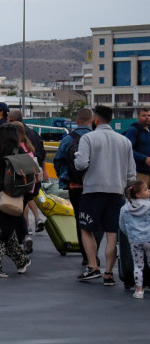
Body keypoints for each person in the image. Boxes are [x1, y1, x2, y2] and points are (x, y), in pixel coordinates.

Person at [74, 105, 138, 285]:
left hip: (93, 190)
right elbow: (131, 173)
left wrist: (78, 157)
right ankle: (109, 273)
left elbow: (80, 164)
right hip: (116, 191)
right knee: (112, 232)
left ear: (96, 119)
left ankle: (93, 266)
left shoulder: (88, 138)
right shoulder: (124, 141)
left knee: (86, 228)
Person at [0, 125, 35, 278]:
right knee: (4, 230)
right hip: (11, 195)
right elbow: (30, 174)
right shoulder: (19, 152)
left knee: (4, 229)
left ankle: (21, 260)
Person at [55, 108, 94, 268]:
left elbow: (58, 161)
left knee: (80, 219)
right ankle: (95, 253)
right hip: (95, 186)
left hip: (75, 186)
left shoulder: (67, 139)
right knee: (96, 220)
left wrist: (65, 178)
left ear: (76, 120)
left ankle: (86, 256)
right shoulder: (95, 138)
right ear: (92, 121)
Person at [120, 180, 150, 299]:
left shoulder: (125, 208)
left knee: (138, 265)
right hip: (149, 238)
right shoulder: (148, 206)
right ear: (138, 194)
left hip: (135, 241)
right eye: (146, 189)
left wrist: (130, 235)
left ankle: (139, 290)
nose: (149, 191)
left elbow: (121, 225)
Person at [125, 107, 150, 185]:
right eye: (144, 115)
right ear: (138, 117)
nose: (147, 117)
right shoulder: (133, 130)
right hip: (140, 172)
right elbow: (127, 150)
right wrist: (144, 158)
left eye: (149, 115)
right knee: (140, 196)